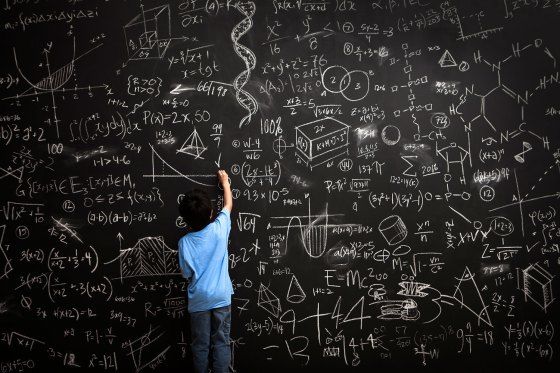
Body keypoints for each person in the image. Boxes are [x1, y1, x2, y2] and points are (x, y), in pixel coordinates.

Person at [177, 170, 233, 373]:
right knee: (221, 342)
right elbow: (227, 206)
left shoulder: (184, 243)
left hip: (199, 299)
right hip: (221, 296)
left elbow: (186, 274)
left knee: (200, 346)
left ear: (185, 219)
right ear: (211, 213)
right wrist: (225, 183)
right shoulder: (219, 228)